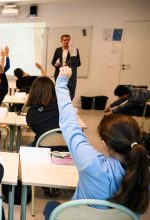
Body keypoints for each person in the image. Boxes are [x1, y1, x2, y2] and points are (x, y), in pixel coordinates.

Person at [44, 65, 150, 219]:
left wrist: (61, 83)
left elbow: (70, 125)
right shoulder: (144, 174)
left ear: (105, 144)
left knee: (52, 206)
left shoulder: (91, 162)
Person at [26, 76, 59, 147]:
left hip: (42, 147)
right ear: (53, 89)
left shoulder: (32, 113)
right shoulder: (61, 107)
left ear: (33, 90)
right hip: (66, 149)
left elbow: (33, 128)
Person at [51, 34, 81, 100]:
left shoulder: (75, 50)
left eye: (68, 40)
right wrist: (56, 64)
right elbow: (53, 62)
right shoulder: (58, 50)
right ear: (61, 41)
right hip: (58, 73)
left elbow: (78, 63)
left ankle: (67, 104)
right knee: (59, 91)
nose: (67, 41)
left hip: (69, 74)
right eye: (65, 40)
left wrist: (69, 64)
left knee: (69, 91)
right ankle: (58, 105)